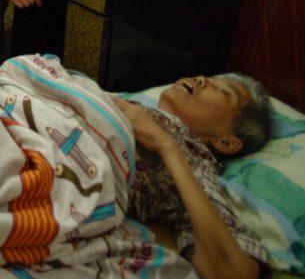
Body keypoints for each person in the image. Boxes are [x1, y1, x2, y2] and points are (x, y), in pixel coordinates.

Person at [116, 73, 271, 279]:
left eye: (224, 92)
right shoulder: (137, 108)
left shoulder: (195, 164)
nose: (201, 78)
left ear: (226, 142)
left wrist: (166, 145)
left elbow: (238, 272)